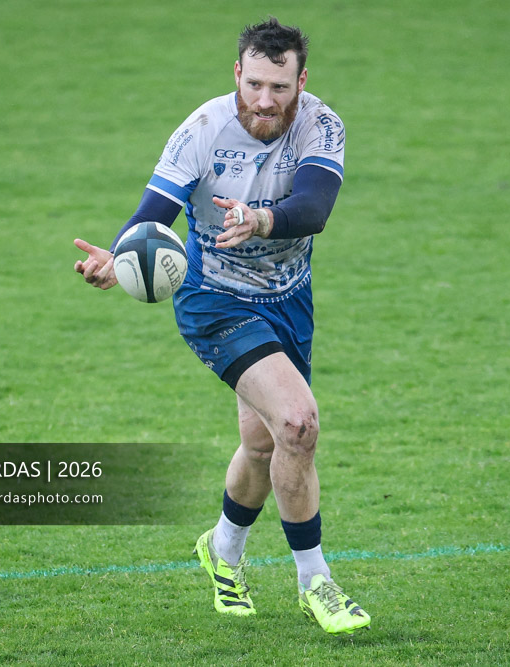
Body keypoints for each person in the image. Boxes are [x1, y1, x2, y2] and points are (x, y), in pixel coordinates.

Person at [73, 17, 369, 636]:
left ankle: (223, 549)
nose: (265, 100)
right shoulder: (202, 130)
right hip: (214, 301)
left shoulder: (321, 125)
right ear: (237, 73)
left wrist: (260, 220)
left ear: (301, 82)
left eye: (279, 87)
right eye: (254, 84)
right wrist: (115, 257)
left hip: (288, 299)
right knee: (298, 424)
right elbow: (154, 213)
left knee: (264, 444)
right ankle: (316, 582)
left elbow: (314, 207)